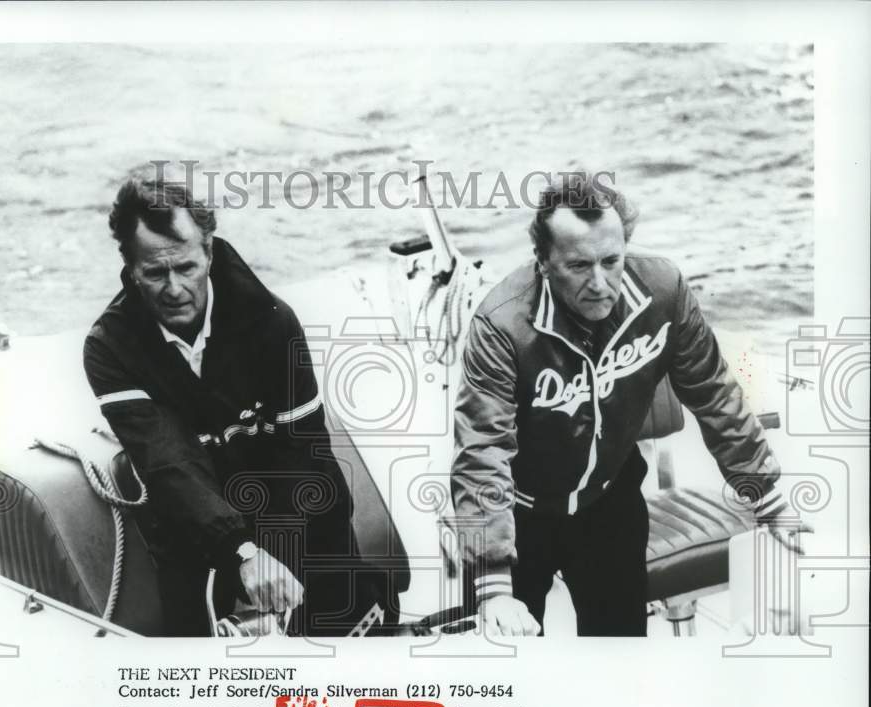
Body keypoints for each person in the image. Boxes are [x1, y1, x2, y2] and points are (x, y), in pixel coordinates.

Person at [450, 175, 796, 637]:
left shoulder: (664, 292)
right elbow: (482, 450)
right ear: (544, 261)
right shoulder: (501, 324)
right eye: (578, 266)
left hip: (608, 500)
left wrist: (766, 496)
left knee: (621, 656)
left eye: (611, 261)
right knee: (511, 660)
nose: (599, 283)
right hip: (520, 512)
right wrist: (492, 584)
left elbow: (713, 392)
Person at [84, 175, 385, 636]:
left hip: (297, 510)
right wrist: (243, 552)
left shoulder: (273, 322)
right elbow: (170, 464)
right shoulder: (110, 349)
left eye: (185, 267)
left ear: (209, 252)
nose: (173, 289)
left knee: (346, 633)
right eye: (154, 273)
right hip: (197, 531)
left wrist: (277, 567)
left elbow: (302, 452)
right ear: (130, 267)